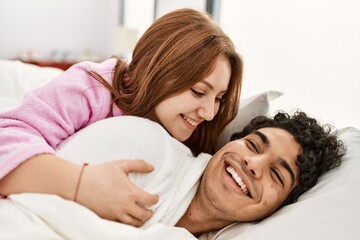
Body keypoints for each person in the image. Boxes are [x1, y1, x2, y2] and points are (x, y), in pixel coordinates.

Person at [0, 8, 243, 227]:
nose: (209, 113)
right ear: (159, 70)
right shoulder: (94, 87)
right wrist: (82, 184)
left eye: (219, 98)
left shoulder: (199, 132)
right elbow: (7, 138)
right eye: (198, 92)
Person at [7, 110, 343, 238]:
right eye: (254, 146)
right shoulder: (145, 147)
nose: (253, 165)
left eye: (276, 175)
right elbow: (23, 205)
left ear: (281, 207)